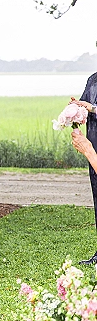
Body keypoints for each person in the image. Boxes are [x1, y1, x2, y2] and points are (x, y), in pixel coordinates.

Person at [71, 80, 97, 264]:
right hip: (92, 148)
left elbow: (91, 107)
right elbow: (83, 107)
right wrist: (75, 109)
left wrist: (93, 108)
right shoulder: (92, 79)